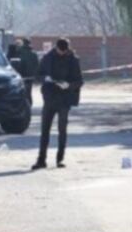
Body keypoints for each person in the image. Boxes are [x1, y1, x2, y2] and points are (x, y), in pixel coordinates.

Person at [33, 38, 83, 169]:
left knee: (62, 130)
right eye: (60, 51)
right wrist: (45, 78)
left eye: (64, 51)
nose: (62, 53)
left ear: (67, 49)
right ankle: (41, 160)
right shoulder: (47, 58)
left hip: (64, 99)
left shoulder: (73, 60)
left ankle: (60, 159)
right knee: (45, 130)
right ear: (56, 48)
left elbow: (79, 81)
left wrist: (69, 85)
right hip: (49, 98)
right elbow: (38, 75)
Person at [17, 38, 40, 105]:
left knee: (21, 91)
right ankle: (29, 104)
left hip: (21, 75)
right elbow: (37, 65)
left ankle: (23, 104)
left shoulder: (19, 52)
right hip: (31, 76)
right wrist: (36, 76)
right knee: (28, 91)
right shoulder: (34, 54)